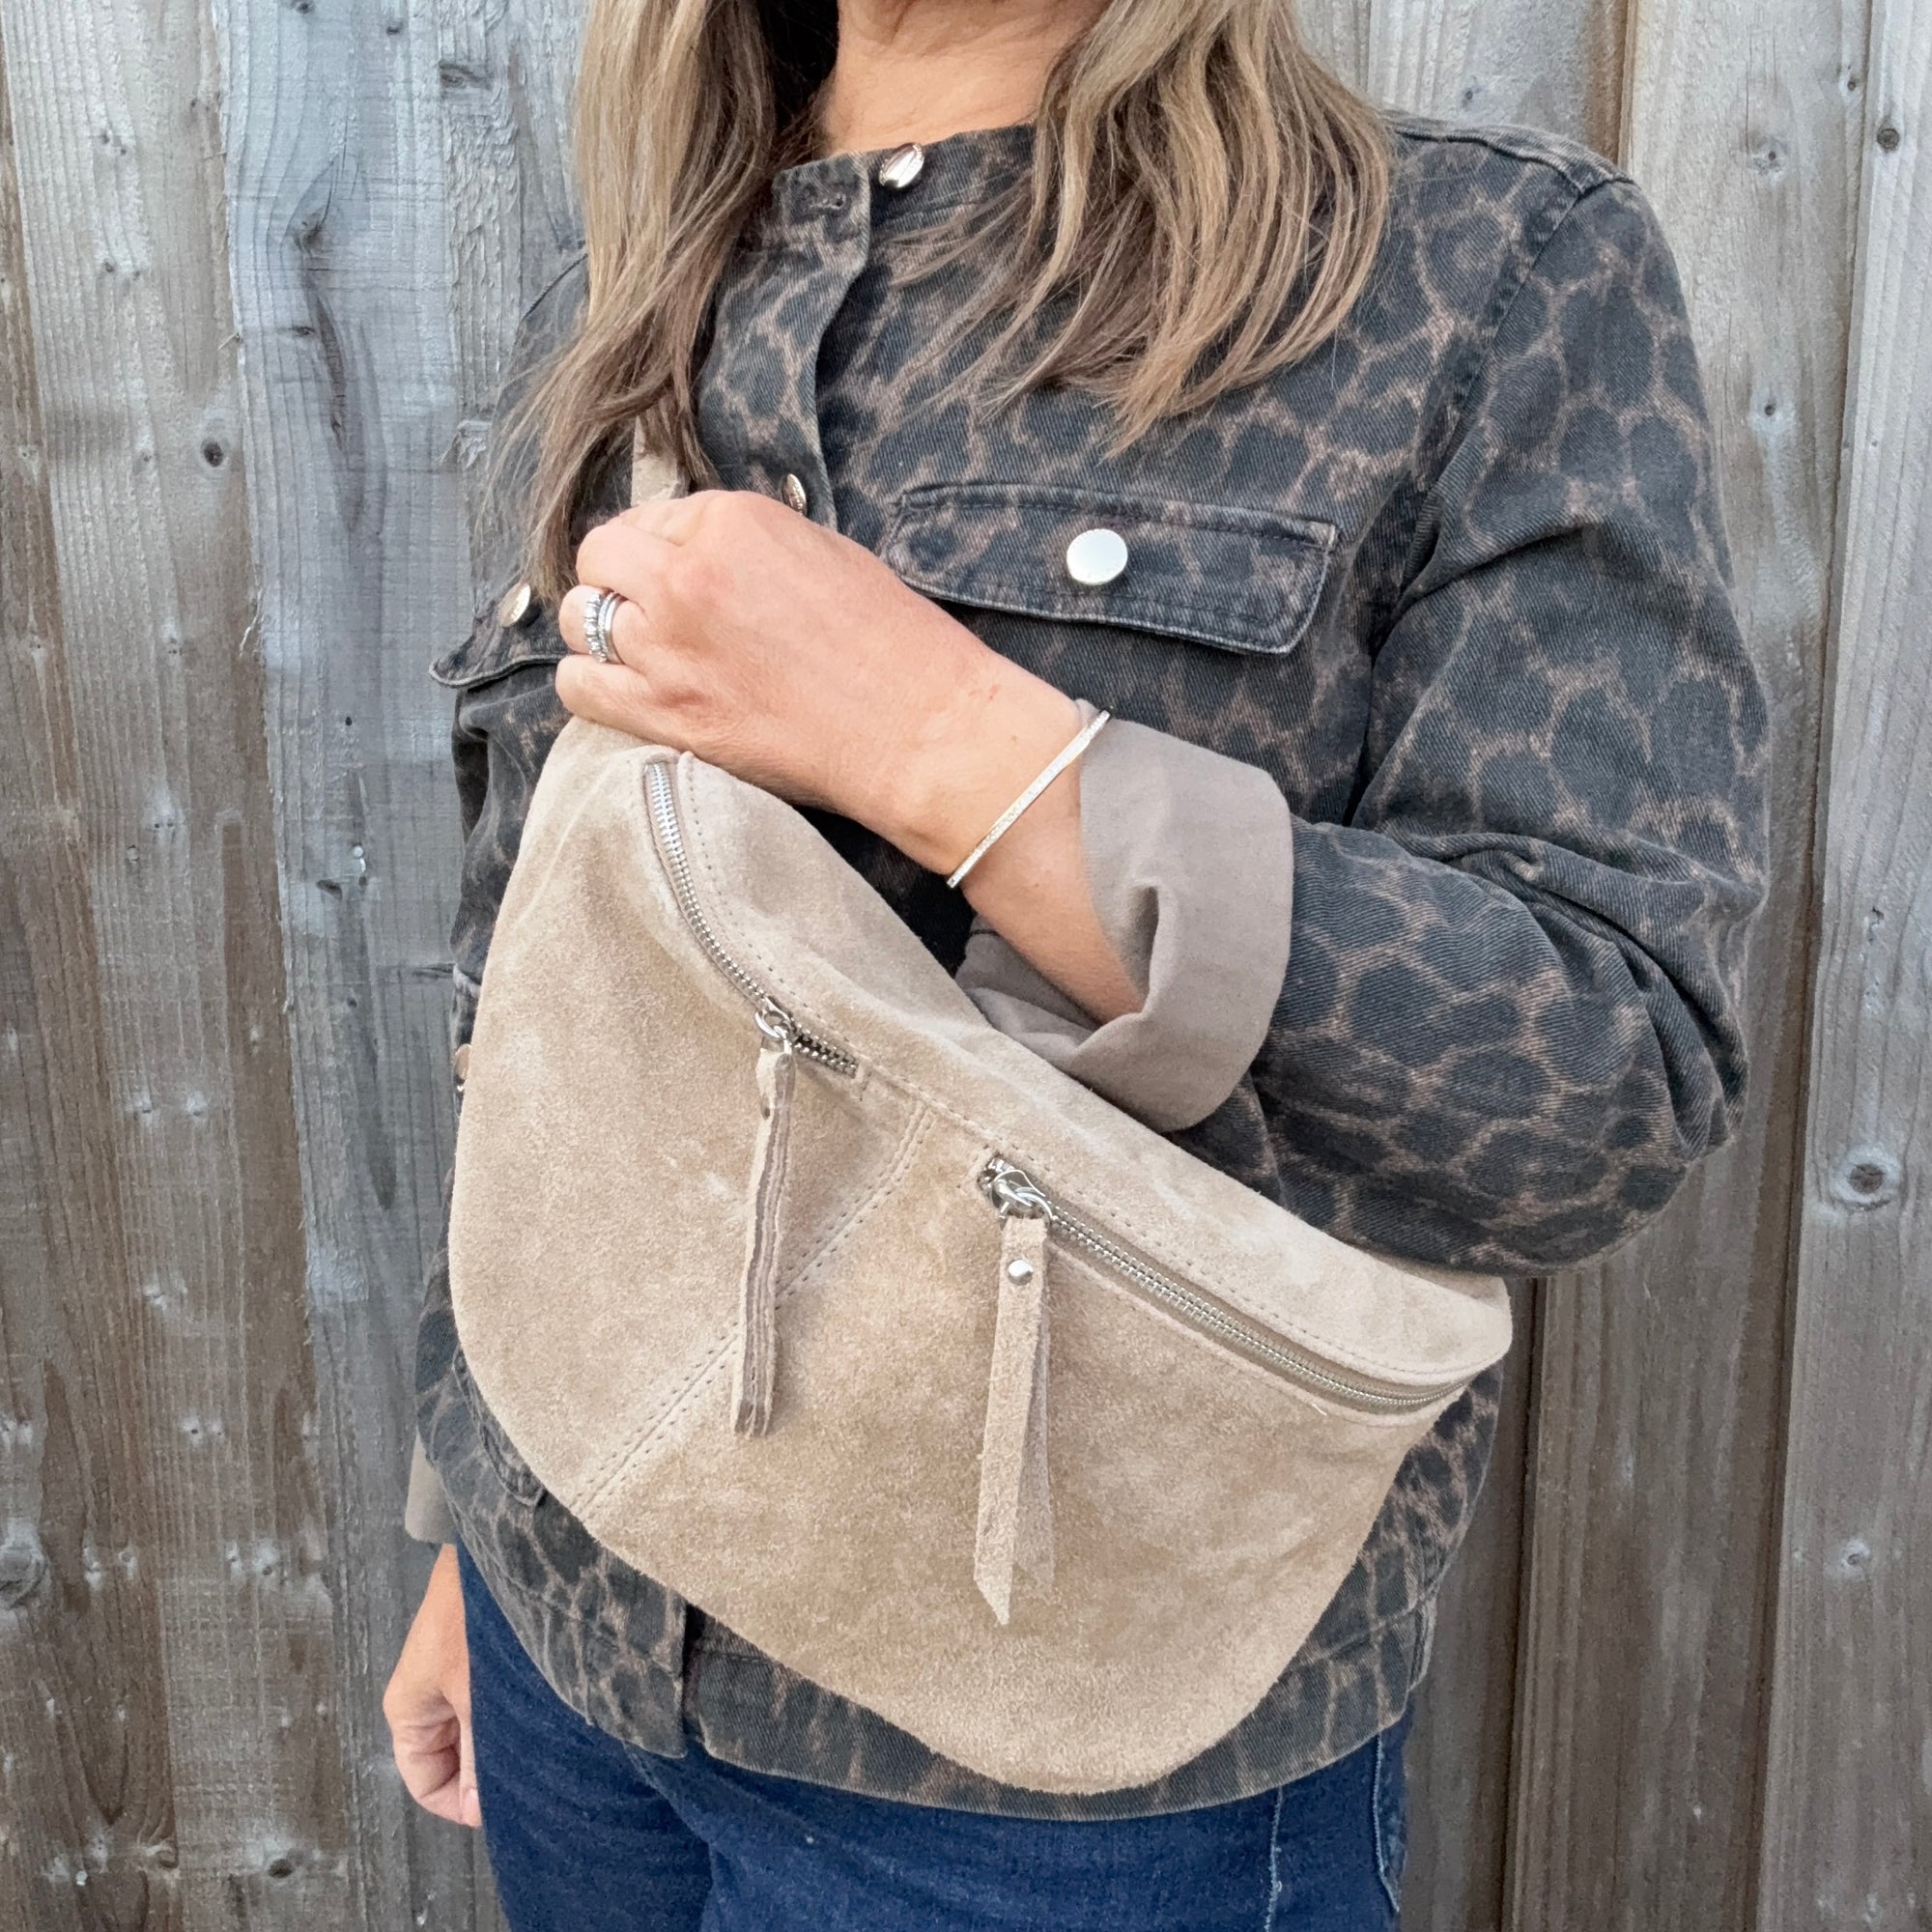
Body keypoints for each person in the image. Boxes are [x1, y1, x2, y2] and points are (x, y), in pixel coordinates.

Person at [381, 0, 1770, 1920]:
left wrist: (968, 758)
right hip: (575, 1652)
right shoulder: (642, 287)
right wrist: (482, 1510)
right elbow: (540, 1002)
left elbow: (1602, 1077)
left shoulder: (1461, 274)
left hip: (1056, 1770)